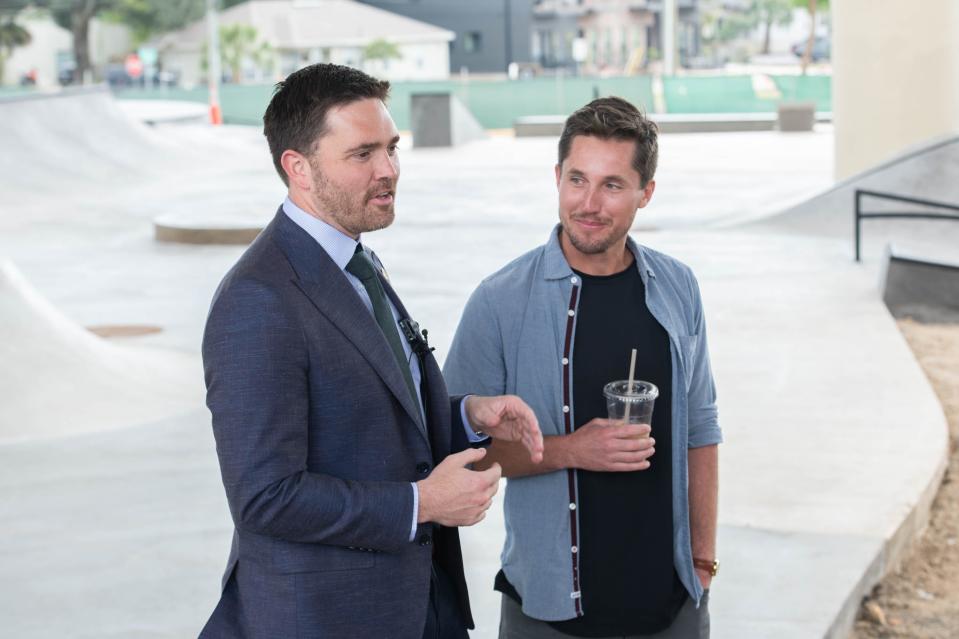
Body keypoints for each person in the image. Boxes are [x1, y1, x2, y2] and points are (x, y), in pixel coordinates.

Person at [199, 63, 543, 639]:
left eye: (392, 148)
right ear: (298, 168)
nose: (389, 171)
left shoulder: (355, 260)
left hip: (418, 604)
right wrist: (423, 503)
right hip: (328, 616)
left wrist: (465, 416)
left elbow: (371, 415)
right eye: (362, 154)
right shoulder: (258, 300)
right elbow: (265, 497)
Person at [443, 96, 722, 639]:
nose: (589, 203)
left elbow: (702, 429)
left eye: (613, 185)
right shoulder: (500, 301)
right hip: (547, 612)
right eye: (577, 180)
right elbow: (458, 455)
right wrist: (573, 449)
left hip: (671, 608)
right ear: (556, 177)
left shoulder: (678, 288)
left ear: (646, 193)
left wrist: (703, 563)